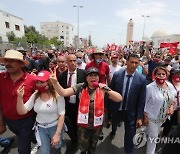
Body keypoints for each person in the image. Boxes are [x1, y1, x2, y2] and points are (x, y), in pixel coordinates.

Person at [50, 67, 122, 154]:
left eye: (95, 75)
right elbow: (63, 93)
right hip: (83, 126)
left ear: (98, 78)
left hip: (97, 126)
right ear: (86, 78)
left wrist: (107, 89)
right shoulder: (81, 87)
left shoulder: (102, 88)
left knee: (93, 147)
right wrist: (55, 82)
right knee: (83, 147)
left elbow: (119, 98)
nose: (93, 78)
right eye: (90, 75)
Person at [16, 70, 65, 154]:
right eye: (37, 82)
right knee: (44, 151)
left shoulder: (57, 95)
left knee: (57, 145)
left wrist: (57, 134)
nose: (39, 85)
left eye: (42, 82)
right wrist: (19, 97)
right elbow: (22, 111)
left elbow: (61, 115)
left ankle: (62, 143)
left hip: (54, 126)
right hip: (41, 128)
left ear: (49, 82)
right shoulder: (35, 95)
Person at [0, 50, 36, 154]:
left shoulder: (32, 80)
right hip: (9, 121)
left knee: (23, 150)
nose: (7, 64)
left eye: (11, 61)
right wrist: (1, 122)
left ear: (21, 63)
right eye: (6, 61)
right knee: (29, 138)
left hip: (26, 121)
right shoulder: (1, 78)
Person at [110, 53, 147, 154]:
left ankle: (128, 151)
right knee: (114, 125)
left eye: (136, 63)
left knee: (130, 135)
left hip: (131, 113)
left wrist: (139, 117)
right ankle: (113, 131)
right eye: (132, 62)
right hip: (116, 110)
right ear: (126, 62)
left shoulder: (142, 79)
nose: (134, 65)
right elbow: (110, 92)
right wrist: (108, 110)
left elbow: (141, 100)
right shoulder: (117, 75)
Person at [143, 66, 175, 154]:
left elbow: (173, 98)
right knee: (153, 138)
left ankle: (145, 131)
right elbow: (144, 102)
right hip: (152, 117)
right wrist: (145, 116)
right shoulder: (150, 87)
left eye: (163, 74)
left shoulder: (169, 85)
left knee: (154, 130)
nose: (161, 76)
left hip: (163, 117)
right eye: (159, 74)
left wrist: (171, 107)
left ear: (166, 75)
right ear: (155, 75)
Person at [58, 54, 86, 154]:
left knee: (80, 125)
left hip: (80, 106)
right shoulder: (62, 76)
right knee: (70, 126)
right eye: (71, 61)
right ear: (67, 62)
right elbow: (60, 92)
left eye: (75, 60)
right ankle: (74, 141)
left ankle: (81, 142)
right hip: (67, 106)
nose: (73, 62)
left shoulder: (83, 74)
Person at [162, 68, 180, 136]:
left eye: (178, 74)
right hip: (169, 107)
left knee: (174, 123)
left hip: (177, 108)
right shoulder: (167, 84)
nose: (177, 75)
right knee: (167, 122)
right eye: (175, 74)